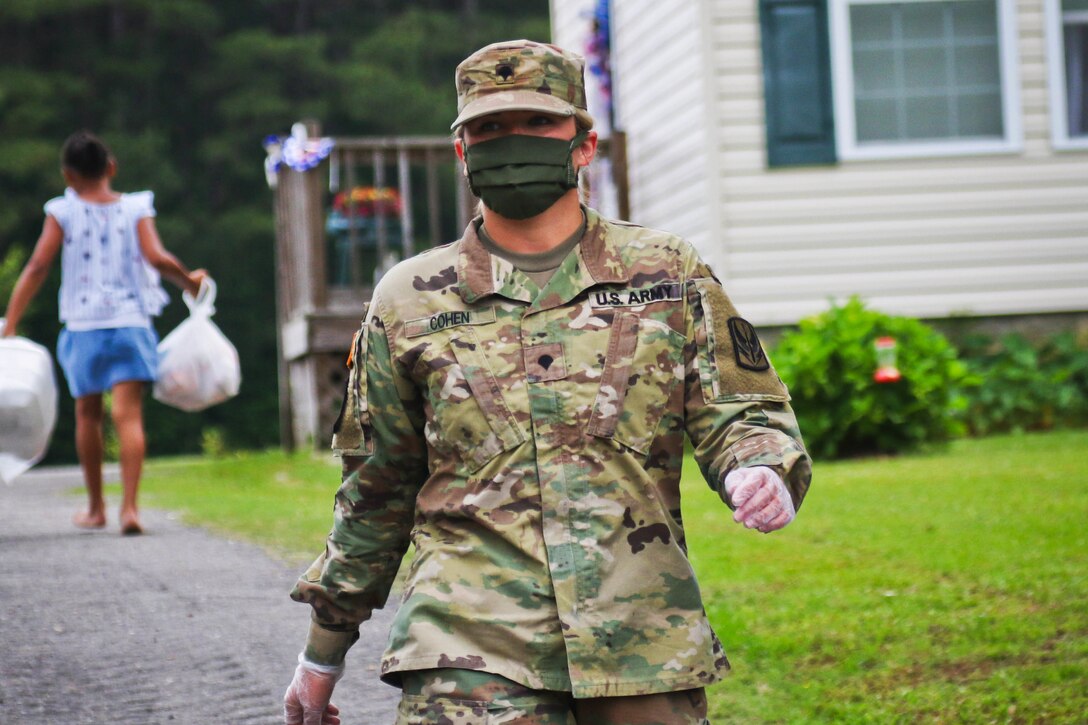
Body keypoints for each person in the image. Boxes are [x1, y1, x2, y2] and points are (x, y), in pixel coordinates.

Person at [283, 39, 812, 725]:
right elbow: (376, 487)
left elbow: (742, 409)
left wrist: (757, 467)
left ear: (583, 143)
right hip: (466, 652)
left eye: (537, 124)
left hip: (640, 640)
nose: (512, 142)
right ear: (462, 151)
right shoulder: (408, 299)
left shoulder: (664, 273)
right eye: (489, 128)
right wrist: (322, 654)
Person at [1, 130, 208, 535]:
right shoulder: (135, 208)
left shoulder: (62, 211)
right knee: (128, 416)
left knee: (88, 415)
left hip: (83, 327)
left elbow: (38, 266)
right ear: (111, 167)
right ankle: (130, 509)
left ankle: (96, 507)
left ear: (68, 175)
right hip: (130, 322)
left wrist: (12, 320)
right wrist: (189, 282)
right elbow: (157, 258)